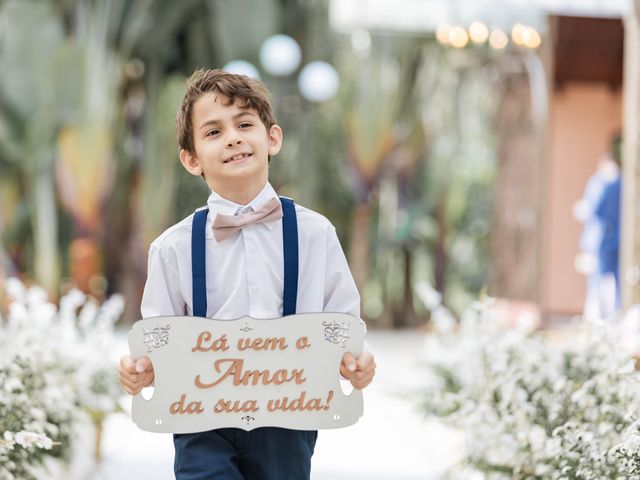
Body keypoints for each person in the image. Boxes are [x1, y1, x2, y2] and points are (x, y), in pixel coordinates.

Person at [118, 69, 376, 479]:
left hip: (289, 416)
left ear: (272, 137)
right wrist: (143, 369)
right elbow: (159, 336)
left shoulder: (315, 234)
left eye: (243, 124)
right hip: (200, 415)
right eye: (214, 131)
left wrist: (356, 362)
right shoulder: (173, 247)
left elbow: (343, 325)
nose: (233, 137)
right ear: (191, 158)